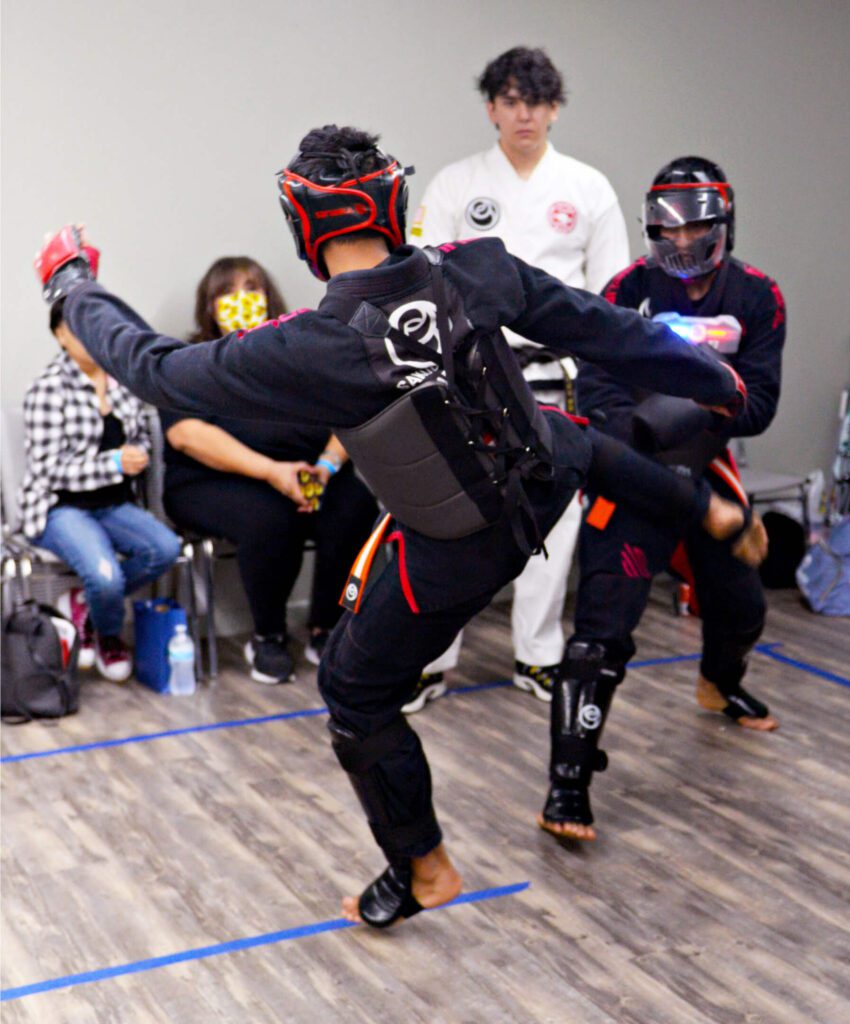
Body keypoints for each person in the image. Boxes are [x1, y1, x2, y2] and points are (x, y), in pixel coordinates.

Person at [35, 125, 754, 929]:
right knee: (574, 437)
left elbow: (150, 365)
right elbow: (603, 328)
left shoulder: (309, 345)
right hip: (539, 484)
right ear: (393, 199)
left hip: (457, 550)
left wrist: (71, 288)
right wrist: (712, 377)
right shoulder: (476, 267)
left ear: (302, 226)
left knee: (352, 688)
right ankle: (710, 511)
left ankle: (424, 868)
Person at [538, 156, 785, 843]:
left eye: (696, 230)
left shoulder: (759, 295)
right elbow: (600, 399)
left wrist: (692, 409)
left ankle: (717, 681)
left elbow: (758, 404)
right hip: (630, 464)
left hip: (705, 458)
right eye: (665, 233)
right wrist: (661, 436)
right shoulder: (622, 289)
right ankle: (568, 785)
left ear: (723, 226)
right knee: (601, 630)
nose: (680, 245)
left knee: (741, 607)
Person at [408, 46, 630, 708]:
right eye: (509, 100)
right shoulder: (455, 185)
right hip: (472, 375)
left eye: (535, 101)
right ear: (490, 109)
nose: (523, 113)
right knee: (456, 516)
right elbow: (426, 280)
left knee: (556, 518)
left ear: (555, 109)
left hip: (555, 376)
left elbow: (610, 296)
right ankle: (430, 658)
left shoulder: (587, 189)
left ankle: (539, 653)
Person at [159, 256, 379, 683]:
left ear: (269, 298)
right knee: (270, 517)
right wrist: (271, 472)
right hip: (212, 482)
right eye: (227, 292)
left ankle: (327, 627)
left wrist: (326, 467)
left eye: (251, 288)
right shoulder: (187, 361)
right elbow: (187, 435)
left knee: (353, 503)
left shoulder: (299, 356)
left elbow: (347, 415)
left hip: (307, 474)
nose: (241, 300)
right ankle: (268, 636)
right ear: (209, 306)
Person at [18, 295, 180, 681]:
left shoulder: (123, 383)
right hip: (60, 507)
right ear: (60, 334)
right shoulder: (47, 390)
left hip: (115, 504)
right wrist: (112, 463)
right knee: (104, 575)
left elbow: (139, 437)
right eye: (78, 327)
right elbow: (48, 470)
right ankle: (108, 634)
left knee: (165, 549)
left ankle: (86, 607)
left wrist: (137, 453)